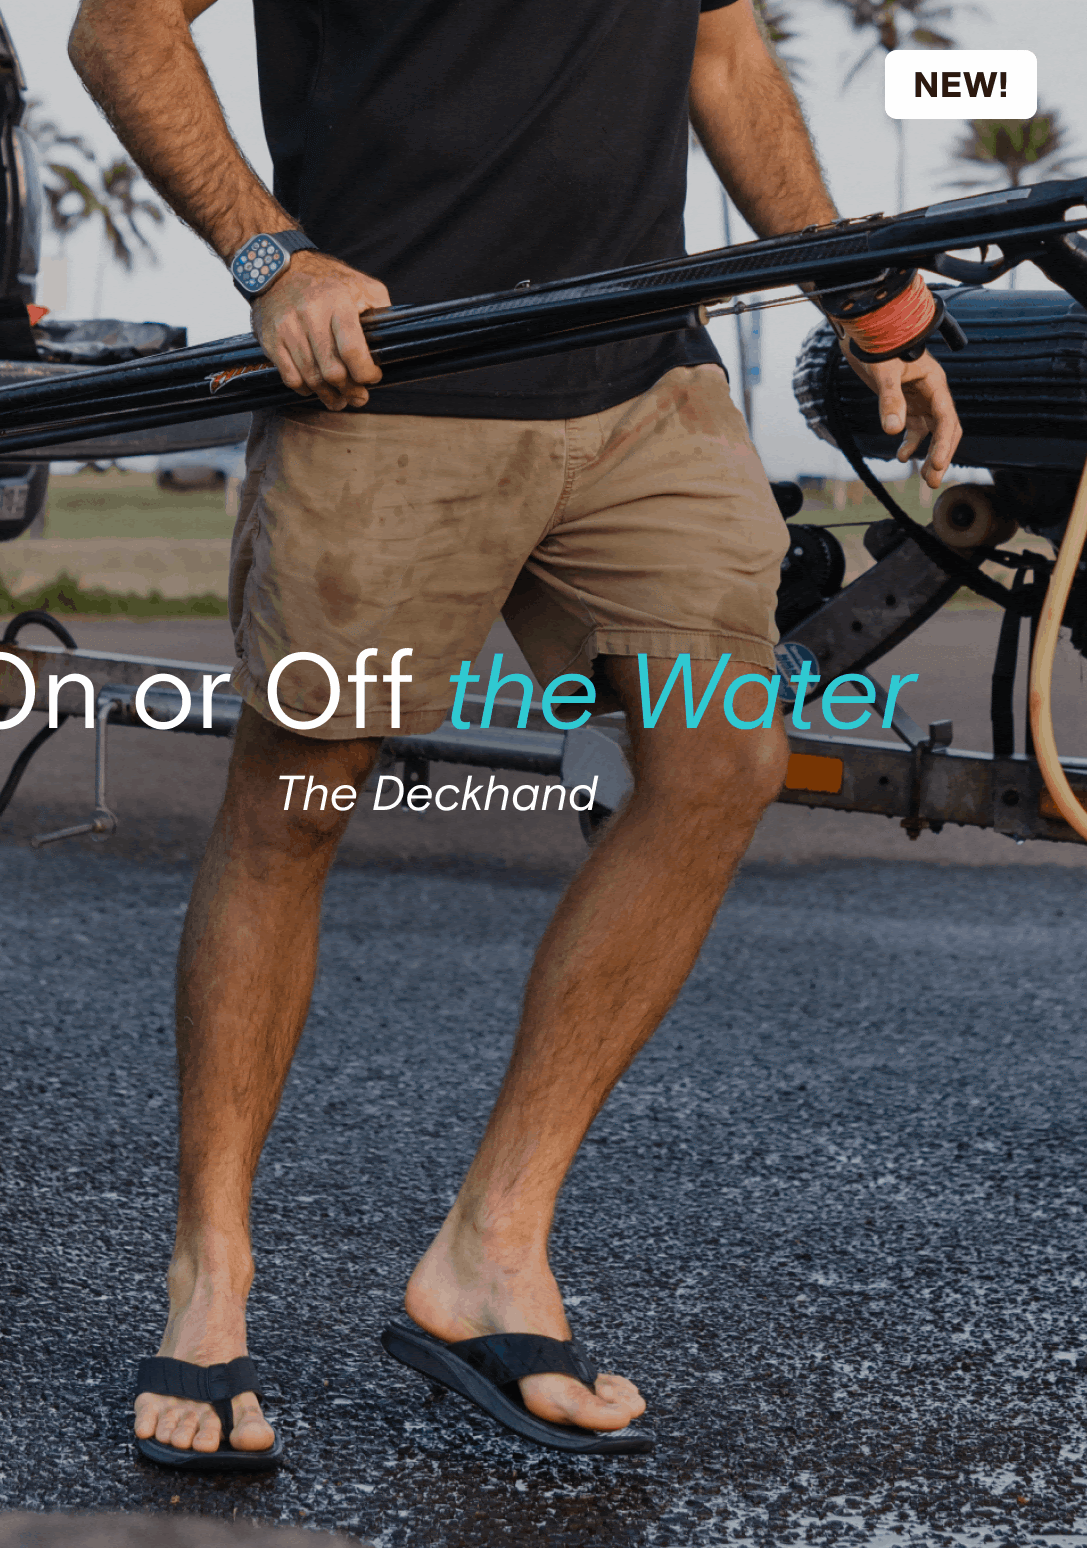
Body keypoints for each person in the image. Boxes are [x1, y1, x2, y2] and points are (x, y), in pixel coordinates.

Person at [69, 0, 961, 1467]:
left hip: (642, 387)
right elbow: (122, 30)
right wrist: (271, 259)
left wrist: (866, 299)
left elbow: (721, 52)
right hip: (387, 383)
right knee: (296, 806)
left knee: (720, 761)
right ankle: (210, 1280)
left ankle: (492, 1250)